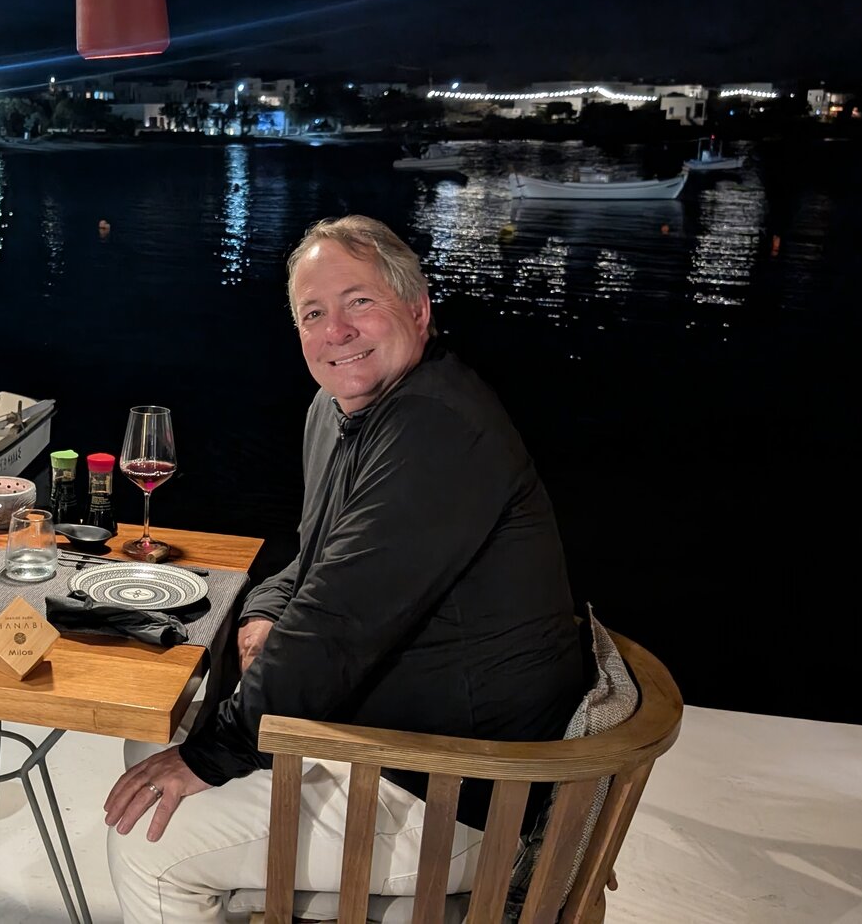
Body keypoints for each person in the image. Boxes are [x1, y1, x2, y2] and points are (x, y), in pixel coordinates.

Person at [104, 216, 586, 922]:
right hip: (382, 738)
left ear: (418, 309)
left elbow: (336, 623)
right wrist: (266, 611)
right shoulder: (338, 410)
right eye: (314, 312)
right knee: (150, 735)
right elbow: (313, 555)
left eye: (359, 301)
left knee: (151, 847)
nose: (337, 330)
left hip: (459, 787)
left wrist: (215, 754)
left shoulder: (438, 429)